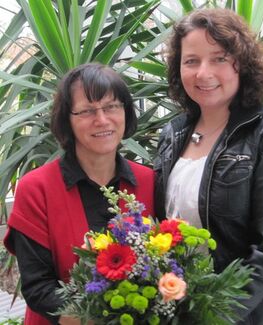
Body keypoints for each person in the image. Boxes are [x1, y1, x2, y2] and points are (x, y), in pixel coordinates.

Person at [154, 7, 263, 325]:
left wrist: (217, 316)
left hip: (254, 313)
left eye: (219, 58)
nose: (203, 73)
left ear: (242, 64)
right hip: (184, 307)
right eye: (191, 61)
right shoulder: (173, 134)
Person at [4, 63, 155, 325]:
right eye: (87, 111)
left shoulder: (149, 181)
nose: (102, 119)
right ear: (67, 120)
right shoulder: (36, 188)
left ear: (126, 112)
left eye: (111, 106)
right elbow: (38, 288)